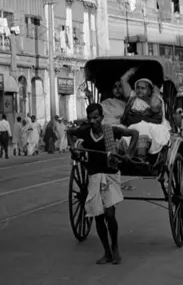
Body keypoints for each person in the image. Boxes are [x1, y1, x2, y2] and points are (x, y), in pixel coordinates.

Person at [67, 104, 123, 265]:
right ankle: (106, 252)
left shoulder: (109, 131)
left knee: (110, 214)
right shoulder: (84, 131)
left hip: (110, 176)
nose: (92, 121)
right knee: (98, 217)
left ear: (102, 117)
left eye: (96, 117)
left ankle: (115, 246)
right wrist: (74, 147)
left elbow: (133, 133)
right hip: (93, 177)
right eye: (90, 118)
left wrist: (130, 151)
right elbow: (70, 132)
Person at [120, 67, 171, 155]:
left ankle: (141, 158)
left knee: (141, 127)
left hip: (153, 128)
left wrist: (140, 119)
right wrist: (134, 69)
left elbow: (157, 120)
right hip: (132, 127)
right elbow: (123, 79)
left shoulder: (155, 101)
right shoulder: (133, 99)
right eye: (138, 88)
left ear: (149, 91)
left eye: (143, 88)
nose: (139, 90)